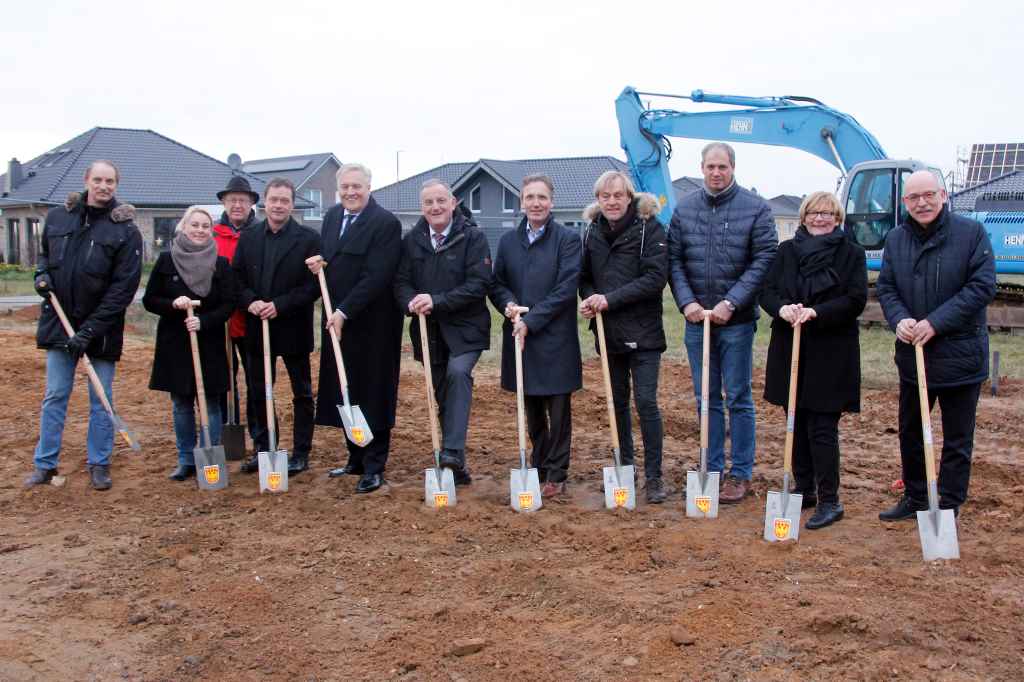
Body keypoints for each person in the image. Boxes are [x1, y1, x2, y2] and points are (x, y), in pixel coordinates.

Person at [876, 170, 996, 521]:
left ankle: (948, 505)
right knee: (911, 432)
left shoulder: (971, 233)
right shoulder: (896, 239)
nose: (922, 202)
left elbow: (982, 286)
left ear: (943, 195)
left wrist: (935, 322)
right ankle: (915, 497)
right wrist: (899, 319)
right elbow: (886, 288)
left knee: (957, 439)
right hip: (915, 358)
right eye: (914, 197)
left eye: (929, 194)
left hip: (961, 356)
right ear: (904, 203)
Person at [667, 142, 778, 504]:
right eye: (711, 167)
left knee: (739, 397)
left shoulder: (756, 209)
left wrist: (732, 302)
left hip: (738, 322)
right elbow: (675, 262)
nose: (716, 173)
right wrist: (687, 303)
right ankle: (711, 468)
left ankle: (740, 473)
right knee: (706, 398)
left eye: (723, 167)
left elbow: (763, 259)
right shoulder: (685, 210)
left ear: (733, 168)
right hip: (698, 322)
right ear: (701, 168)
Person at [26, 160, 143, 490]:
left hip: (100, 332)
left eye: (110, 181)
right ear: (86, 181)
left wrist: (90, 330)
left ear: (116, 185)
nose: (104, 186)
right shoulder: (59, 218)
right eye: (98, 180)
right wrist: (41, 276)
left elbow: (123, 289)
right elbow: (44, 257)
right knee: (55, 395)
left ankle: (99, 463)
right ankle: (45, 464)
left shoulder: (126, 231)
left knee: (101, 399)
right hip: (59, 324)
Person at [760, 191, 867, 529]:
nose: (820, 218)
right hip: (790, 346)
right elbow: (768, 291)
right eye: (813, 212)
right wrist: (783, 308)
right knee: (796, 420)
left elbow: (855, 299)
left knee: (822, 427)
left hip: (830, 350)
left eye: (827, 213)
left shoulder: (851, 253)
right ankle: (803, 489)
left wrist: (817, 312)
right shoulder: (786, 251)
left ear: (837, 218)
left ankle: (830, 499)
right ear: (803, 216)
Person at [308, 163, 403, 494]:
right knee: (343, 389)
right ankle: (355, 457)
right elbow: (335, 261)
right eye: (345, 187)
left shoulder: (385, 224)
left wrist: (345, 310)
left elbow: (377, 275)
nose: (350, 192)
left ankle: (375, 465)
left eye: (357, 187)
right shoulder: (333, 217)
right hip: (338, 321)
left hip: (373, 324)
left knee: (371, 391)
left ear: (369, 187)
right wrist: (320, 264)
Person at [579, 171, 669, 504]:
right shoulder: (592, 231)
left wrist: (609, 299)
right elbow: (584, 277)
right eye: (606, 196)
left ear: (629, 197)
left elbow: (655, 278)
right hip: (609, 331)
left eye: (618, 195)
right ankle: (624, 467)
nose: (612, 201)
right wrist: (589, 298)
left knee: (645, 402)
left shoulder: (650, 229)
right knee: (616, 403)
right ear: (598, 200)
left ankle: (655, 476)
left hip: (644, 332)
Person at [490, 174, 582, 498]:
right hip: (520, 337)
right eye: (530, 197)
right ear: (522, 202)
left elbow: (566, 288)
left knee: (557, 411)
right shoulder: (508, 242)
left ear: (552, 202)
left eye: (542, 197)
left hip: (555, 339)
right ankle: (539, 465)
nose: (536, 203)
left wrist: (534, 320)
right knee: (530, 408)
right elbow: (496, 283)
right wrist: (508, 305)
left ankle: (557, 473)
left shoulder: (568, 240)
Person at [395, 180, 491, 485]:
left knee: (457, 374)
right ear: (421, 208)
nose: (435, 207)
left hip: (466, 329)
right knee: (442, 394)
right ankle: (456, 465)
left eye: (440, 201)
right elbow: (400, 281)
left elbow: (479, 284)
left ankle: (450, 450)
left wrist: (436, 301)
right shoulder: (412, 241)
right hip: (428, 331)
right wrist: (410, 301)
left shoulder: (472, 237)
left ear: (453, 203)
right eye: (428, 203)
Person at [232, 177, 320, 475]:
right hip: (258, 328)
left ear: (292, 204)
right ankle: (264, 447)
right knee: (259, 390)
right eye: (274, 200)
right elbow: (236, 280)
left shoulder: (308, 238)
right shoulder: (249, 237)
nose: (279, 205)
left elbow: (313, 287)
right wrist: (251, 302)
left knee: (302, 393)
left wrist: (280, 305)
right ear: (264, 202)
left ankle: (301, 452)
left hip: (293, 327)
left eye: (285, 200)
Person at [143, 207, 236, 480]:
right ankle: (185, 459)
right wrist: (173, 304)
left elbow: (229, 303)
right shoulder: (166, 261)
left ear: (211, 230)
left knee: (210, 403)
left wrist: (204, 321)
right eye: (194, 224)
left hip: (209, 343)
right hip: (175, 344)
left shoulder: (220, 264)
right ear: (183, 227)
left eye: (205, 226)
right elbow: (150, 300)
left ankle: (210, 454)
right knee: (181, 403)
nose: (199, 230)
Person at [213, 175, 261, 440]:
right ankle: (223, 432)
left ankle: (257, 433)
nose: (237, 205)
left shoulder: (259, 234)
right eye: (232, 200)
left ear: (251, 203)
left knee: (255, 379)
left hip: (249, 318)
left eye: (242, 200)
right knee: (223, 379)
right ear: (224, 202)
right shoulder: (212, 234)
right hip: (219, 321)